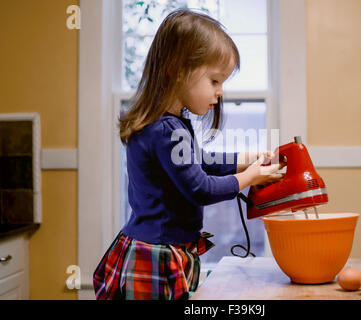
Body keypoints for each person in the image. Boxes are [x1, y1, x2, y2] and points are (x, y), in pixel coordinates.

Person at [92, 8, 286, 300]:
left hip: (161, 246)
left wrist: (244, 159)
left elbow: (200, 162)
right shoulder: (168, 129)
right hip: (156, 254)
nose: (220, 92)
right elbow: (200, 188)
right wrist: (248, 177)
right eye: (215, 81)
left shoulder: (164, 124)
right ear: (178, 70)